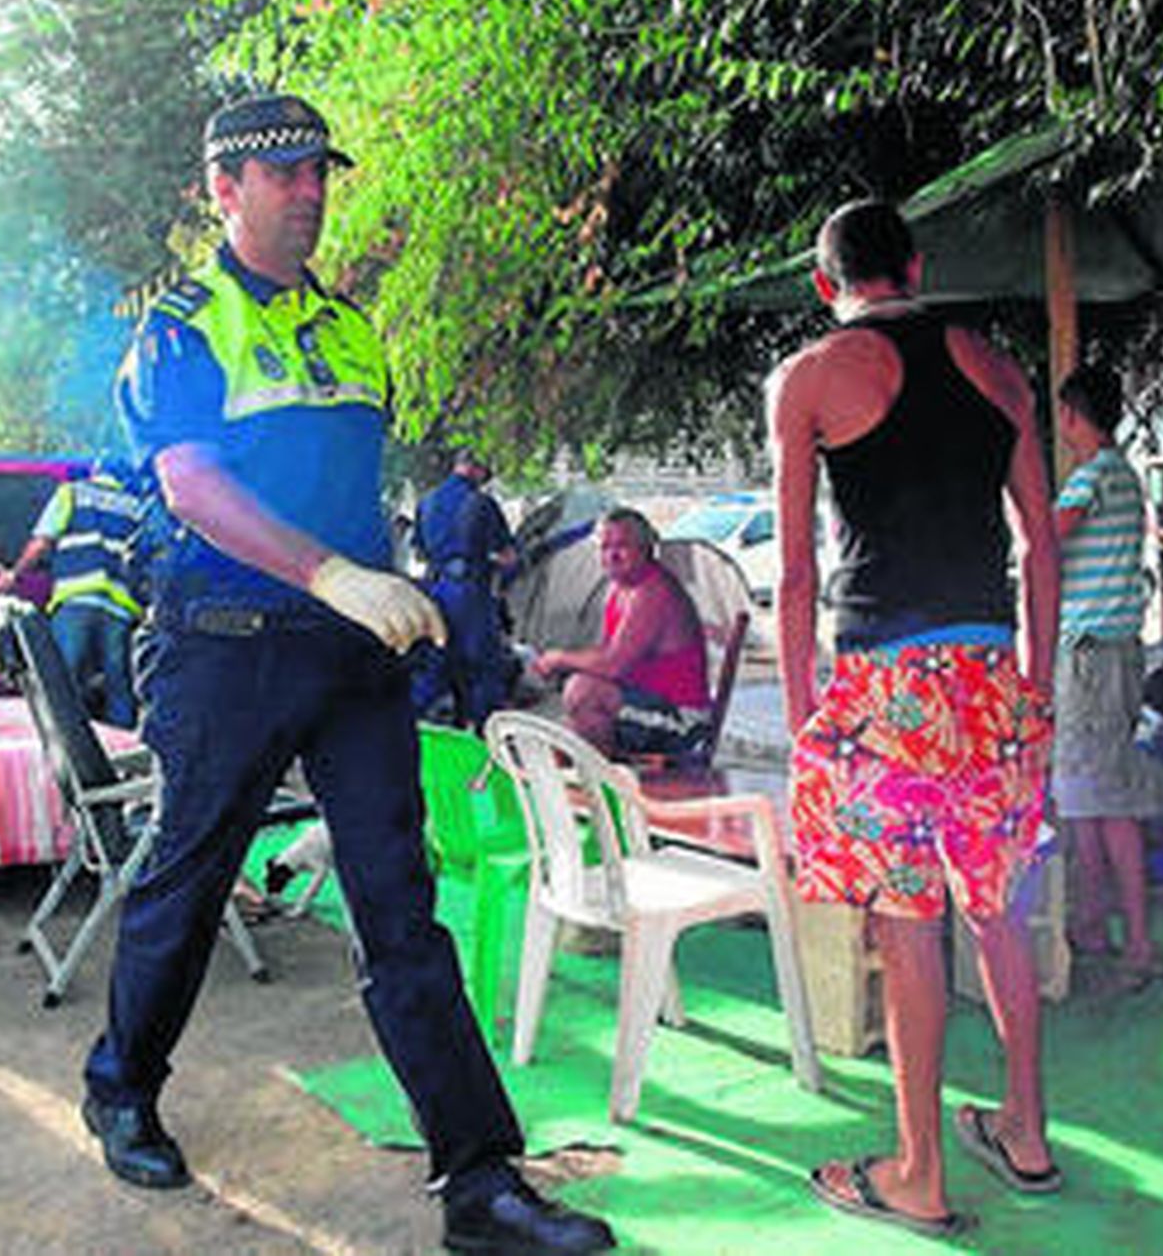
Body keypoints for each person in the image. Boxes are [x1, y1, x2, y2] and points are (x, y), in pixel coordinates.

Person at [92, 93, 614, 1254]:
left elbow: (344, 479)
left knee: (401, 906)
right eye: (280, 174)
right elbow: (191, 485)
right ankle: (122, 1084)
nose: (309, 190)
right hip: (224, 643)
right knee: (190, 876)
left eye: (317, 170)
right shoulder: (180, 327)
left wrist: (396, 585)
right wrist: (330, 573)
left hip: (353, 651)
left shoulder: (353, 330)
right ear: (222, 190)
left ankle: (480, 1182)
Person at [769, 200, 1061, 1234]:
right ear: (916, 265)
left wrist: (809, 714)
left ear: (825, 281)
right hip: (989, 675)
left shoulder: (809, 376)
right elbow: (1038, 547)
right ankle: (1024, 1131)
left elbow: (798, 572)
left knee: (908, 930)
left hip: (884, 687)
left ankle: (917, 1173)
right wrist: (1037, 686)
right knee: (997, 909)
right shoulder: (997, 368)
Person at [1051, 363, 1163, 985]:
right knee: (1085, 797)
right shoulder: (1125, 476)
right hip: (1112, 654)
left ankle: (1138, 944)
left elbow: (1043, 537)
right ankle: (1092, 922)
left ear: (1071, 415)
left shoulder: (1091, 478)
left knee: (1107, 800)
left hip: (1090, 660)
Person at [532, 507, 713, 764]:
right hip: (647, 706)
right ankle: (585, 789)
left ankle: (603, 786)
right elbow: (605, 658)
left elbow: (614, 664)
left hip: (683, 723)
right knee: (562, 731)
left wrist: (559, 659)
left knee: (583, 693)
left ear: (646, 548)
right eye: (605, 547)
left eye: (622, 546)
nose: (611, 555)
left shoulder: (654, 591)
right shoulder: (621, 590)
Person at [0, 453, 149, 728]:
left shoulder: (72, 493)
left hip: (77, 598)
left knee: (63, 682)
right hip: (120, 608)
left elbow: (42, 542)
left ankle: (64, 744)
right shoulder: (137, 508)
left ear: (97, 470)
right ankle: (123, 753)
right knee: (120, 685)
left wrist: (15, 574)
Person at [409, 449, 519, 728]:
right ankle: (486, 739)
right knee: (483, 669)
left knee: (439, 665)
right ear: (475, 468)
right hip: (471, 594)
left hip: (435, 591)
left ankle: (413, 727)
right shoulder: (480, 502)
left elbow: (420, 553)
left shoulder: (426, 502)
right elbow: (507, 556)